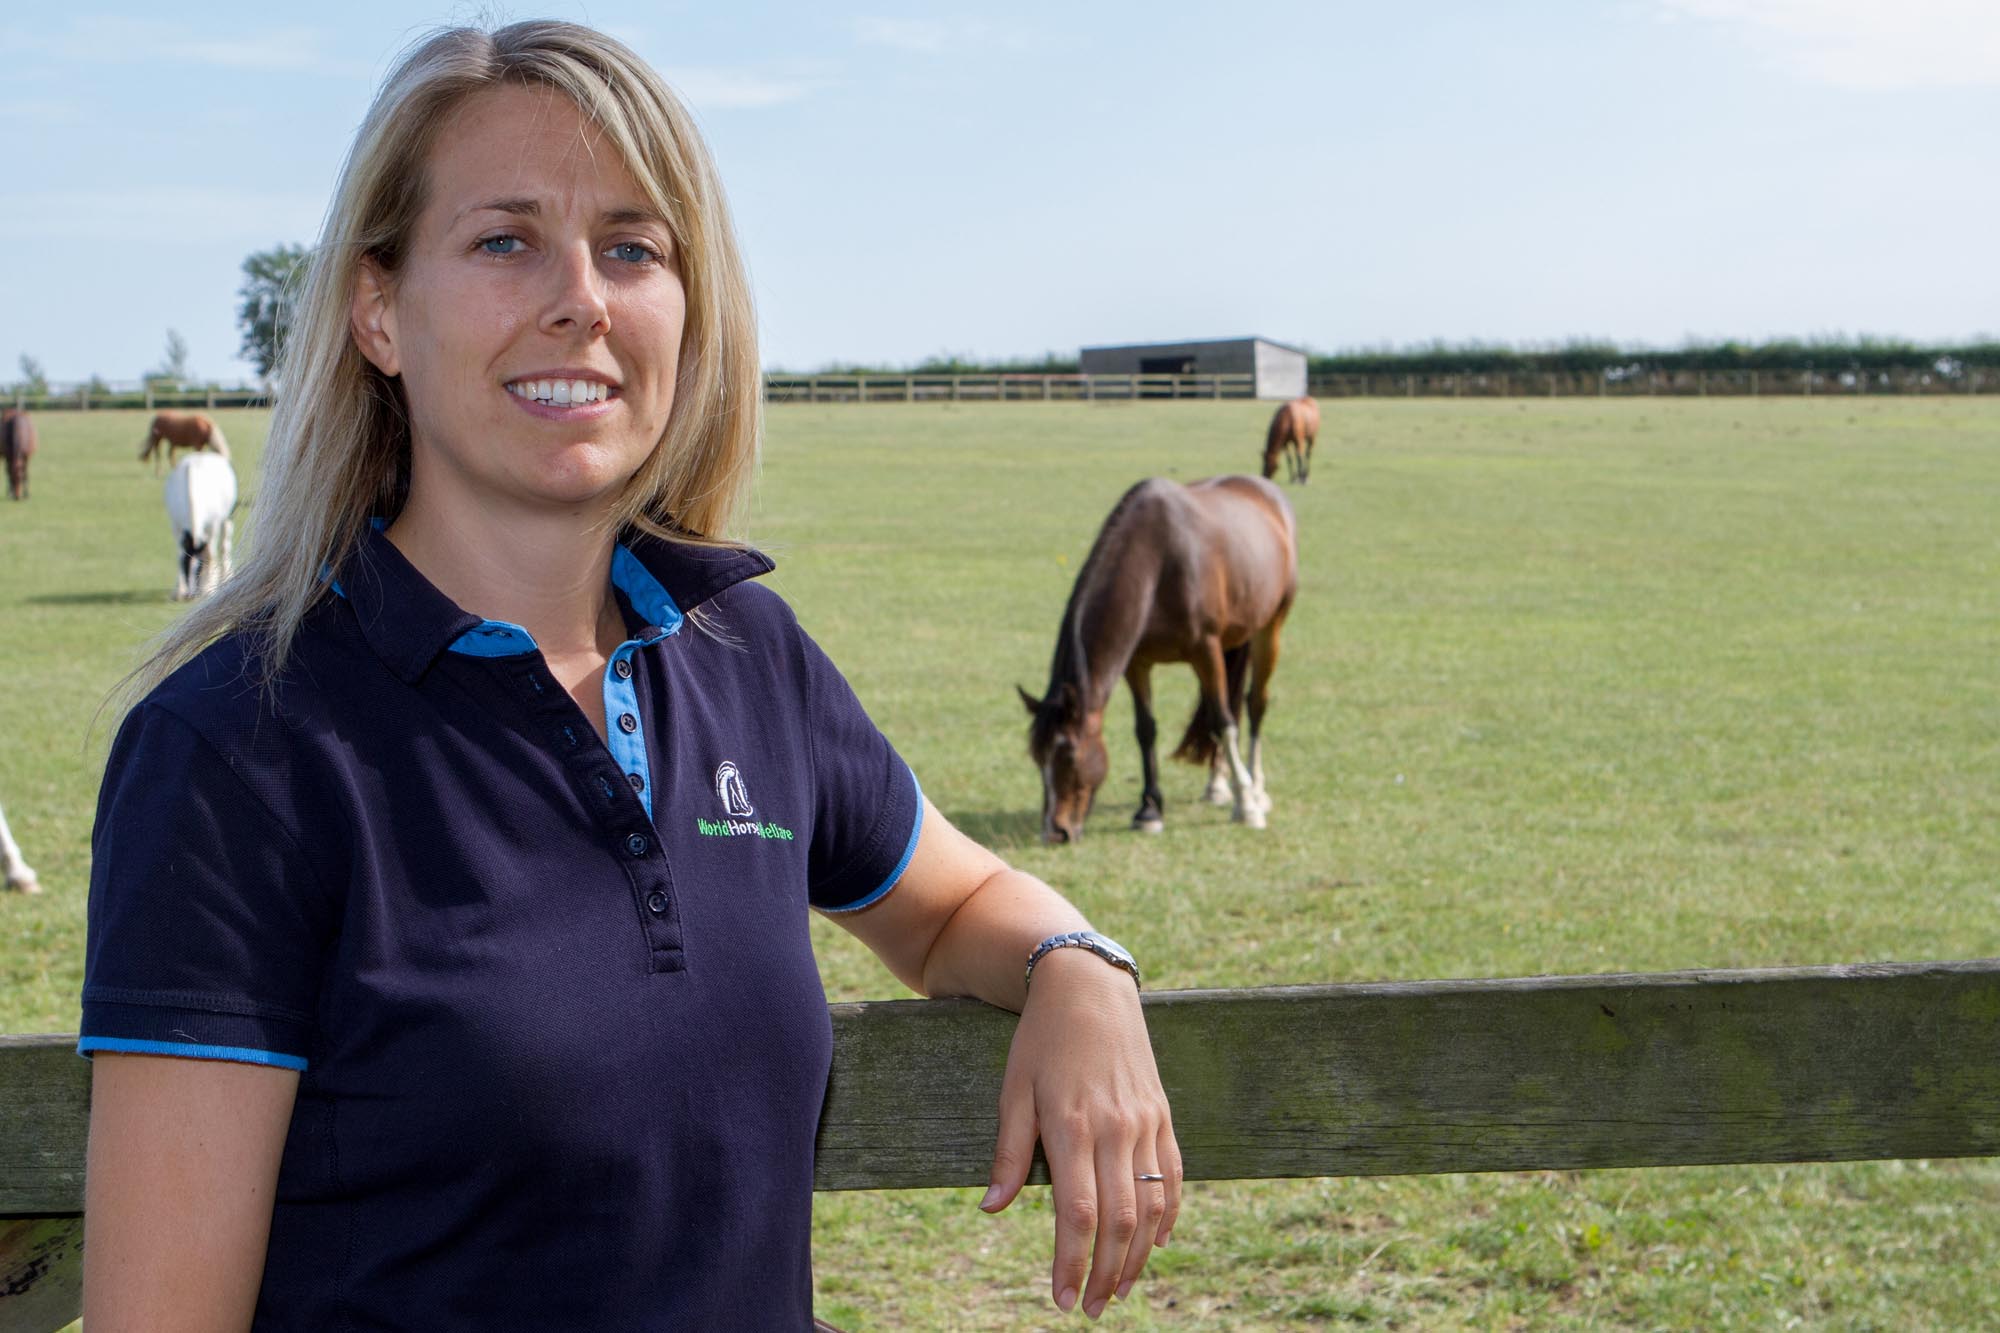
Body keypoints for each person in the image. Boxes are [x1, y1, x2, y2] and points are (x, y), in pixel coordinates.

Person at [78, 21, 1177, 1331]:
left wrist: (1078, 966)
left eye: (632, 247)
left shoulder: (745, 654)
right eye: (505, 240)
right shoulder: (233, 750)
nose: (582, 300)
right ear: (379, 310)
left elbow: (950, 906)